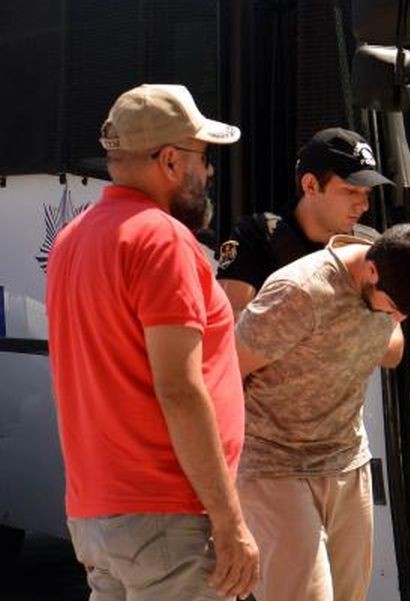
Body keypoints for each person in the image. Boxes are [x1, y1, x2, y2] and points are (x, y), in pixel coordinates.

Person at [46, 83, 259, 600]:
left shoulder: (73, 239)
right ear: (169, 160)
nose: (207, 172)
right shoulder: (161, 240)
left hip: (98, 512)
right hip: (168, 519)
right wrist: (230, 521)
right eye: (203, 156)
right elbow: (180, 390)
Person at [234, 224, 410, 601]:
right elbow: (225, 370)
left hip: (346, 461)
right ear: (371, 272)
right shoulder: (299, 291)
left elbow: (394, 350)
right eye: (396, 308)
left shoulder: (394, 273)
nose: (398, 319)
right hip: (275, 465)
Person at [216, 127, 392, 316]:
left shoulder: (371, 246)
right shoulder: (256, 238)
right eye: (351, 190)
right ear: (311, 185)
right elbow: (229, 322)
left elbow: (394, 335)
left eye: (366, 193)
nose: (364, 205)